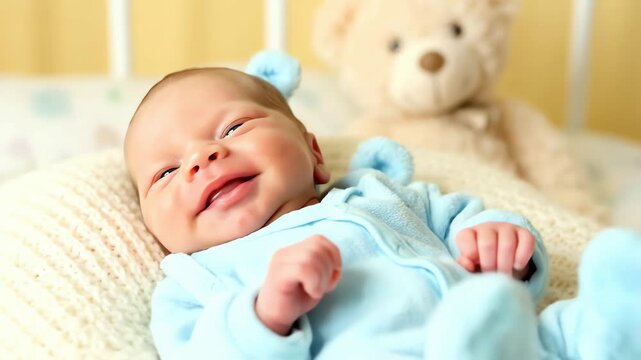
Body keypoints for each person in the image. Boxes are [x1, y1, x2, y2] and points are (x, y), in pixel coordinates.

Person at [124, 56, 641, 359]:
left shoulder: (382, 195)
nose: (204, 159)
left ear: (314, 153)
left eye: (233, 128)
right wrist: (266, 313)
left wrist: (502, 243)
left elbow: (467, 222)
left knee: (558, 331)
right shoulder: (196, 282)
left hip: (502, 329)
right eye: (166, 173)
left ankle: (613, 327)